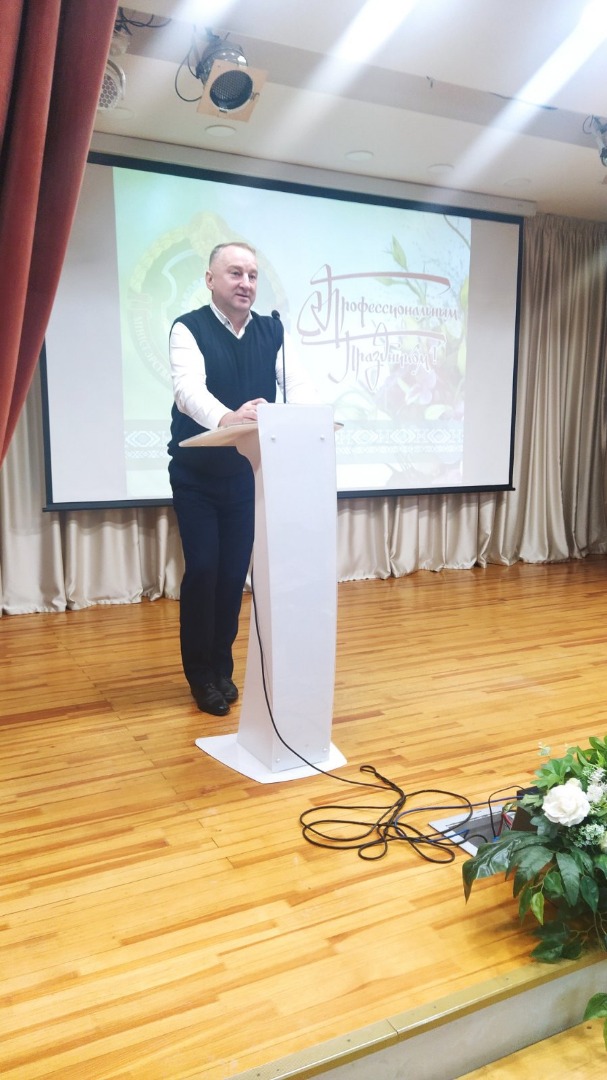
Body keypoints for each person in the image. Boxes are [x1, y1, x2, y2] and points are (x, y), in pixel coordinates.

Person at [168, 241, 316, 716]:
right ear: (210, 279)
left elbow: (297, 386)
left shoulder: (272, 330)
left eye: (252, 275)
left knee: (234, 576)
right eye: (235, 273)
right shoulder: (187, 328)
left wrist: (304, 419)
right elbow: (188, 391)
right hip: (196, 476)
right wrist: (228, 417)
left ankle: (221, 667)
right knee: (205, 570)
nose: (246, 283)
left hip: (246, 474)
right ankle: (200, 674)